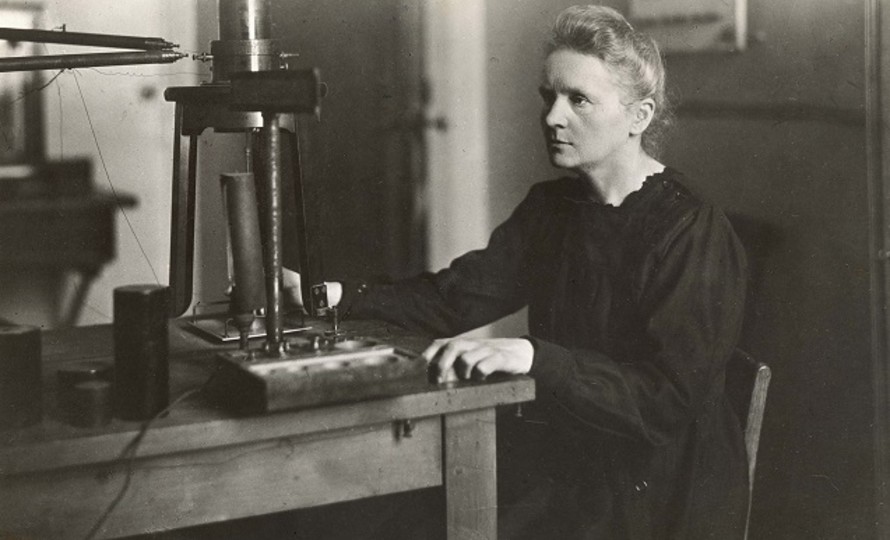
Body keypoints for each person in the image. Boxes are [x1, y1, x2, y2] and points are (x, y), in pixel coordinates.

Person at [286, 5, 749, 538]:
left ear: (639, 117)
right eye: (548, 97)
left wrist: (534, 357)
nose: (552, 117)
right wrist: (330, 296)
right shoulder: (551, 210)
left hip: (657, 487)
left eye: (578, 100)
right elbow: (453, 299)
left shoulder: (690, 229)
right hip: (574, 459)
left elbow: (667, 400)